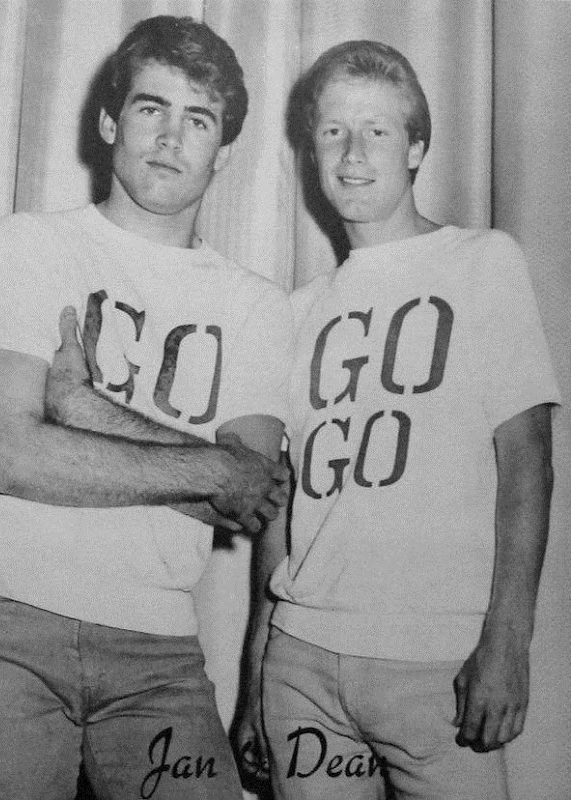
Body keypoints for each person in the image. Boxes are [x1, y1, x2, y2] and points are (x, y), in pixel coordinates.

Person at [0, 15, 293, 800]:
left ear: (224, 151)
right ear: (110, 122)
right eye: (151, 108)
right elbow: (12, 458)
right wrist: (211, 467)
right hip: (2, 614)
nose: (172, 138)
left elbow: (248, 496)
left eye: (198, 119)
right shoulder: (27, 245)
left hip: (159, 648)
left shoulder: (256, 305)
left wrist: (79, 409)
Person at [235, 40, 561, 800]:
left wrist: (508, 641)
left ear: (416, 148)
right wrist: (254, 675)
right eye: (333, 131)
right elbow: (280, 510)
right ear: (310, 152)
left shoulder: (483, 262)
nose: (352, 153)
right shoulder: (296, 313)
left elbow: (528, 463)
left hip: (437, 664)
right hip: (302, 665)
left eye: (376, 130)